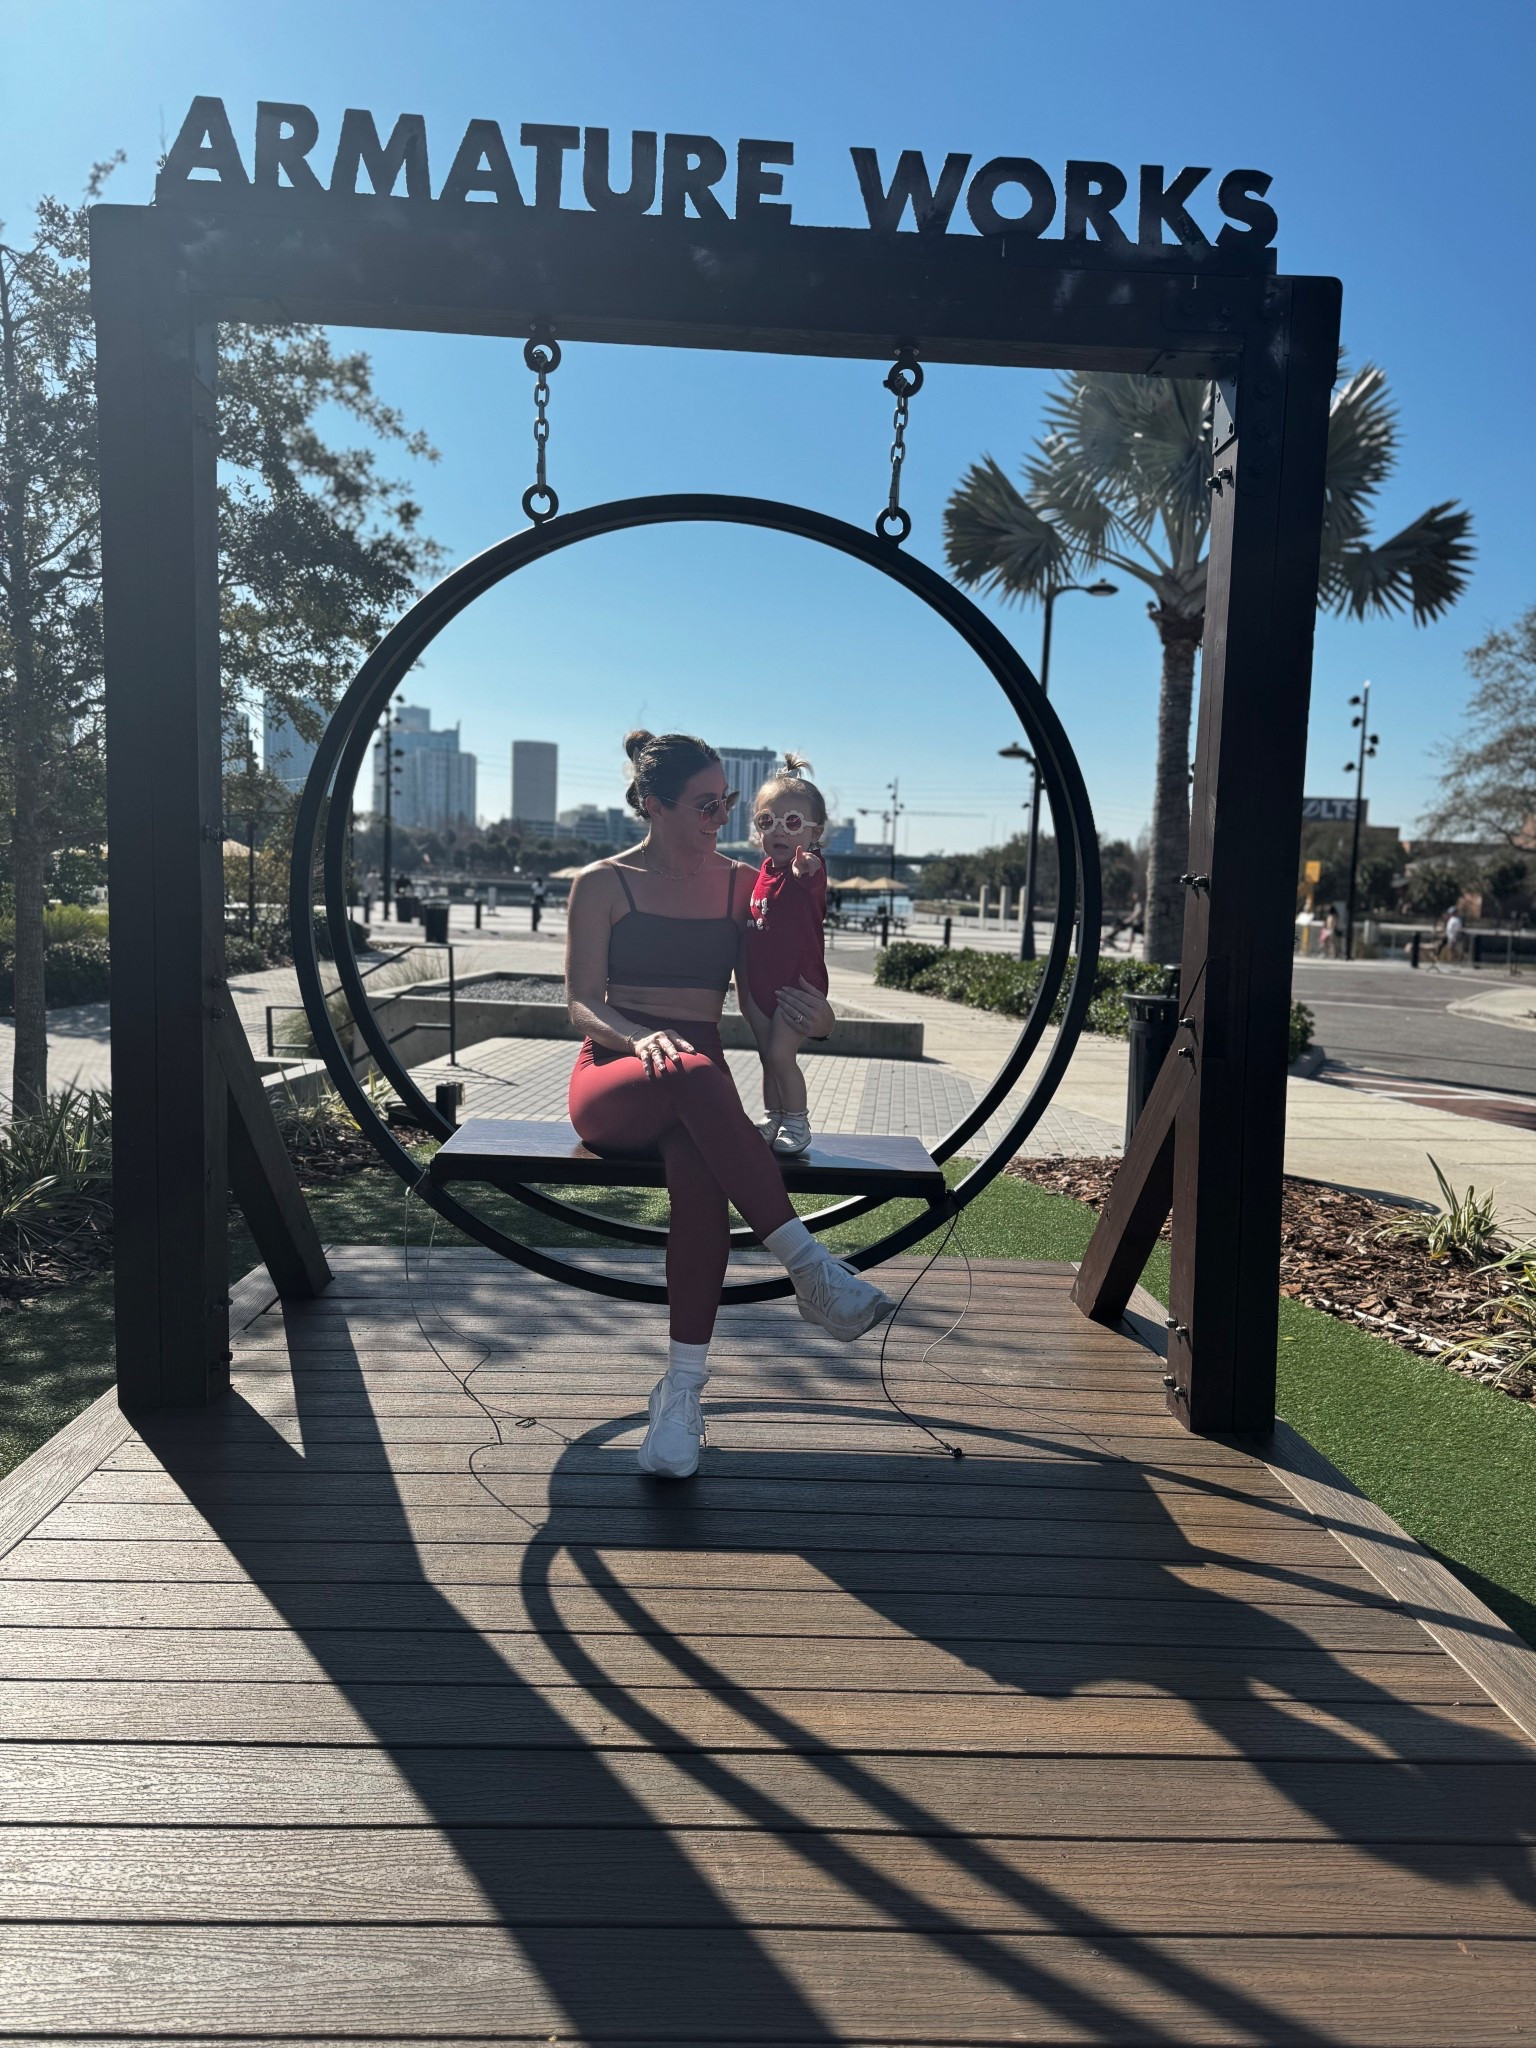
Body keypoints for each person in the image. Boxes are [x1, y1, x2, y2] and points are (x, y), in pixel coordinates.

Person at [564, 730, 895, 1480]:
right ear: (656, 805)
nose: (721, 816)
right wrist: (638, 1036)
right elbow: (581, 1005)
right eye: (706, 804)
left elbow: (760, 995)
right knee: (690, 1069)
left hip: (697, 1091)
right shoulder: (603, 883)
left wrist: (815, 1022)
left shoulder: (739, 884)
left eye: (728, 803)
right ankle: (808, 1268)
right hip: (615, 1078)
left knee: (701, 1169)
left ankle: (681, 1393)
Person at [742, 753, 828, 1157]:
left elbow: (808, 879)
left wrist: (805, 869)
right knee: (766, 1056)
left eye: (792, 823)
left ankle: (797, 1119)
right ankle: (773, 1114)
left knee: (781, 1053)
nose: (778, 830)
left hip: (797, 984)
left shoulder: (807, 870)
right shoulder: (763, 869)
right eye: (767, 821)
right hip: (761, 982)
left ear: (815, 833)